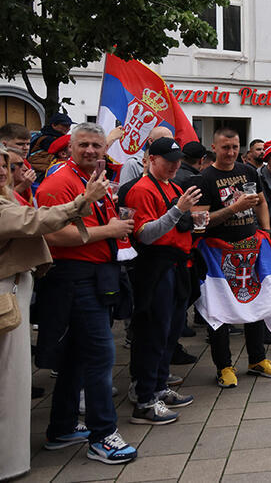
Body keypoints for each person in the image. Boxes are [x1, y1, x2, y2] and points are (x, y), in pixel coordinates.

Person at [0, 144, 111, 479]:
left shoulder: (9, 195)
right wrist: (84, 201)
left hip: (16, 291)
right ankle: (8, 462)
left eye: (5, 165)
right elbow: (36, 221)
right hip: (6, 295)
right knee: (9, 381)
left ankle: (26, 449)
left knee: (15, 380)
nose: (3, 171)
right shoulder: (43, 187)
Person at [35, 122, 138, 464]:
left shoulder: (90, 177)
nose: (91, 150)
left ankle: (62, 428)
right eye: (84, 145)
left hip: (95, 276)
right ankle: (102, 435)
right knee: (100, 356)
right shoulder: (59, 182)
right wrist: (108, 230)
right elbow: (52, 235)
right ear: (71, 147)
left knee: (77, 357)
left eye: (97, 145)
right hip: (75, 278)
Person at [194, 128, 271, 387]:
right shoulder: (204, 179)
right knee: (219, 311)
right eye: (225, 147)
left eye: (235, 147)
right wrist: (234, 208)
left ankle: (257, 360)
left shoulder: (248, 172)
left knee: (255, 303)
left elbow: (261, 202)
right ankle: (223, 366)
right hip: (217, 255)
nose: (231, 152)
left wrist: (266, 231)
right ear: (214, 147)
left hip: (249, 250)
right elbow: (201, 221)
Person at [123, 137, 201, 425]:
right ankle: (145, 399)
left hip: (177, 264)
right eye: (168, 161)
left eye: (177, 161)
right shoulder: (142, 189)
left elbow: (178, 224)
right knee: (153, 333)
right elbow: (145, 234)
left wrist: (194, 221)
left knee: (169, 332)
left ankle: (157, 387)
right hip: (155, 267)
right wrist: (178, 210)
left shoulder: (173, 187)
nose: (174, 166)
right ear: (151, 159)